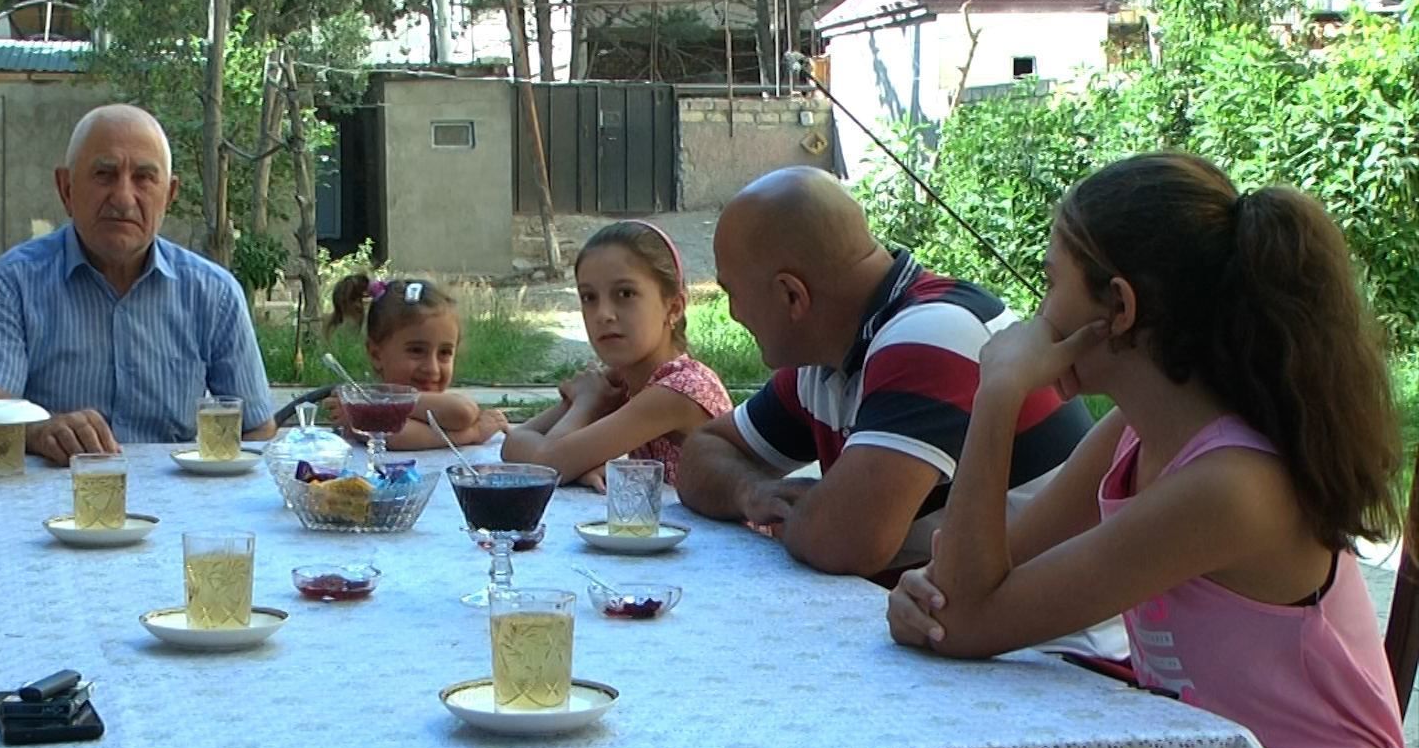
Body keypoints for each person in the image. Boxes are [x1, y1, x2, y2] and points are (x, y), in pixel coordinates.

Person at [886, 153, 1407, 748]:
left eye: (1050, 284)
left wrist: (999, 393)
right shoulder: (1133, 434)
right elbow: (965, 590)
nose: (1038, 316)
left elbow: (970, 622)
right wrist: (928, 597)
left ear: (1120, 309)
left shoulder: (1230, 487)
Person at [679, 168, 1098, 582]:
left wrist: (804, 518)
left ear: (792, 295)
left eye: (732, 293)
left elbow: (844, 541)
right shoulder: (829, 353)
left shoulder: (933, 335)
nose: (733, 314)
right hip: (958, 625)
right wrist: (751, 491)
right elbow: (701, 454)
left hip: (1045, 643)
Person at [0, 104, 276, 461]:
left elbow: (256, 430)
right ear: (66, 188)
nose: (124, 198)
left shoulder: (215, 294)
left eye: (144, 177)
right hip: (50, 501)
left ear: (169, 195)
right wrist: (38, 431)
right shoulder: (12, 283)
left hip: (180, 505)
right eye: (104, 174)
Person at [501, 222, 730, 488]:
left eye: (625, 294)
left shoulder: (680, 390)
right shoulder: (626, 380)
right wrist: (573, 463)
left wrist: (585, 403)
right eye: (589, 297)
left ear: (674, 307)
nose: (603, 314)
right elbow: (515, 443)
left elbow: (545, 467)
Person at [320, 275, 510, 449]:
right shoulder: (355, 412)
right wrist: (472, 434)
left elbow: (463, 411)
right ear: (376, 355)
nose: (432, 369)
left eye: (444, 353)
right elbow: (395, 436)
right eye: (416, 351)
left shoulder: (366, 406)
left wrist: (376, 406)